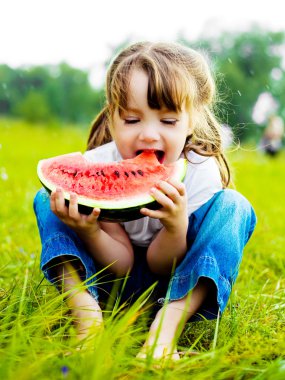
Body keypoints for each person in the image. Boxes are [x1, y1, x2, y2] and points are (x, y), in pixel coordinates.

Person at [33, 41, 256, 361]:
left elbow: (161, 265)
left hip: (177, 288)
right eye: (133, 120)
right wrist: (90, 231)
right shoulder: (99, 165)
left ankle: (165, 332)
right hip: (110, 285)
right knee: (47, 198)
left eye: (167, 121)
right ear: (113, 119)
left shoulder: (198, 173)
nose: (149, 135)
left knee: (235, 206)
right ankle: (87, 318)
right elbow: (121, 264)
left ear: (190, 121)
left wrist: (176, 226)